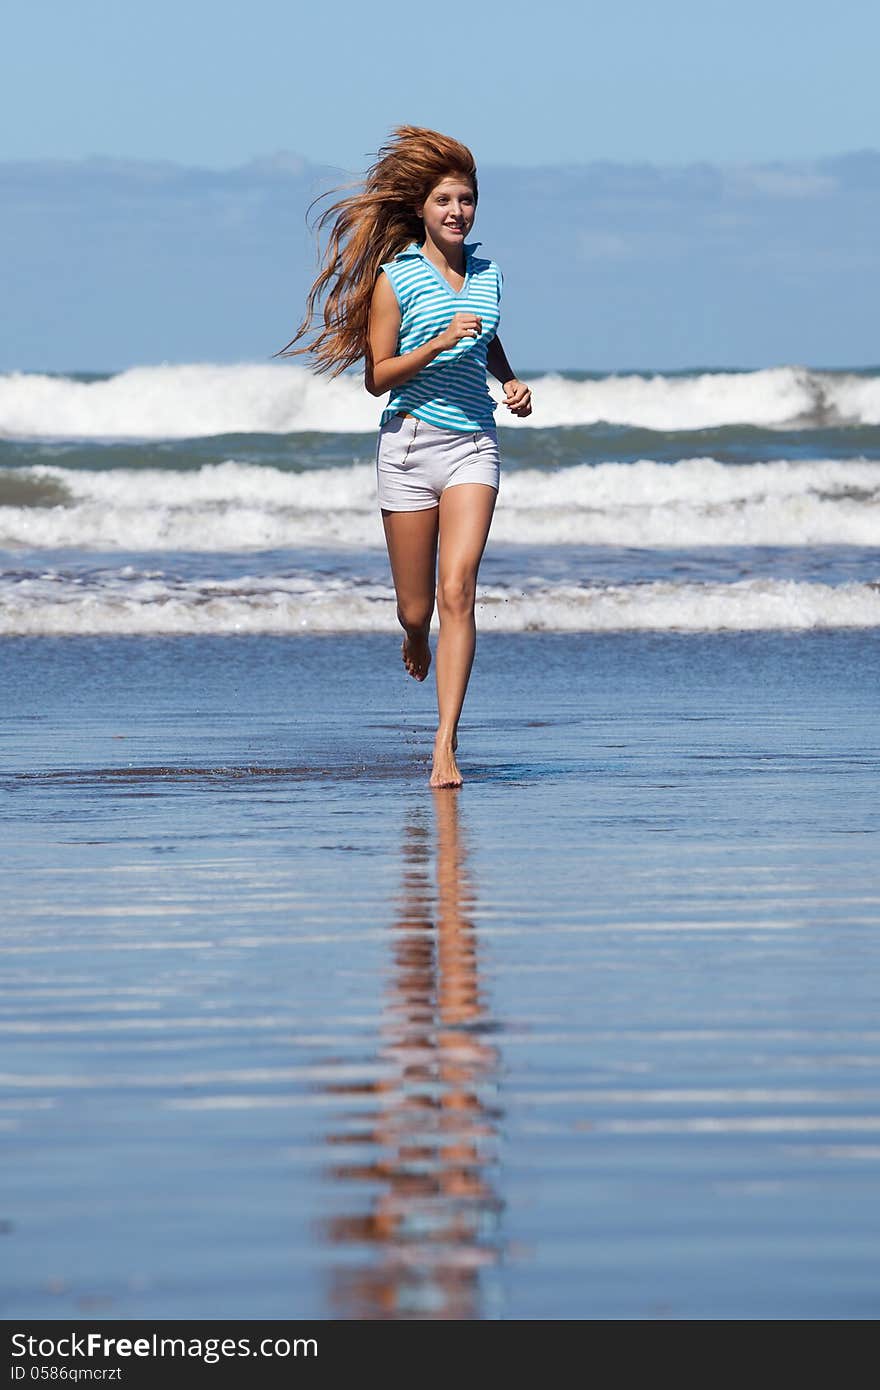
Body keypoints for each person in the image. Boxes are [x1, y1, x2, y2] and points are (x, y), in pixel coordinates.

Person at [278, 126, 532, 787]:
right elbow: (378, 375)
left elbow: (487, 339)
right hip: (410, 445)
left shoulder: (489, 274)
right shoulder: (397, 281)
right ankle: (414, 638)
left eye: (467, 200)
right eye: (445, 199)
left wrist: (506, 379)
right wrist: (441, 340)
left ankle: (445, 742)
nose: (457, 211)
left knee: (460, 590)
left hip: (473, 442)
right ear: (421, 207)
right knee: (418, 609)